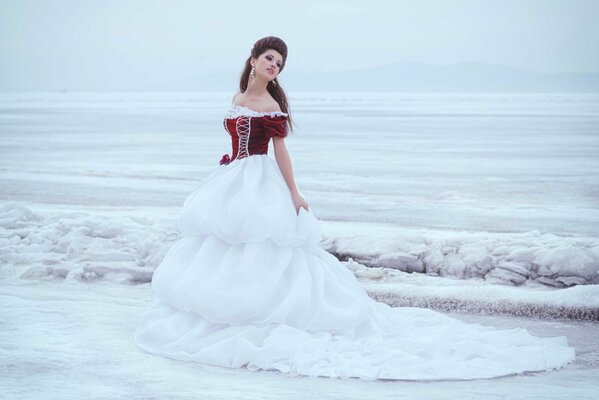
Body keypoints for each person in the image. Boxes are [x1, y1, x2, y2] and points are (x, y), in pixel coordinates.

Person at [133, 36, 576, 380]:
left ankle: (266, 312)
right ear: (253, 59)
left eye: (280, 63)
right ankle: (224, 309)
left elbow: (281, 153)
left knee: (264, 244)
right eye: (269, 58)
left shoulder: (270, 104)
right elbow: (233, 139)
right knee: (224, 246)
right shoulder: (236, 98)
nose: (274, 66)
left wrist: (294, 193)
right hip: (232, 176)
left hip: (260, 179)